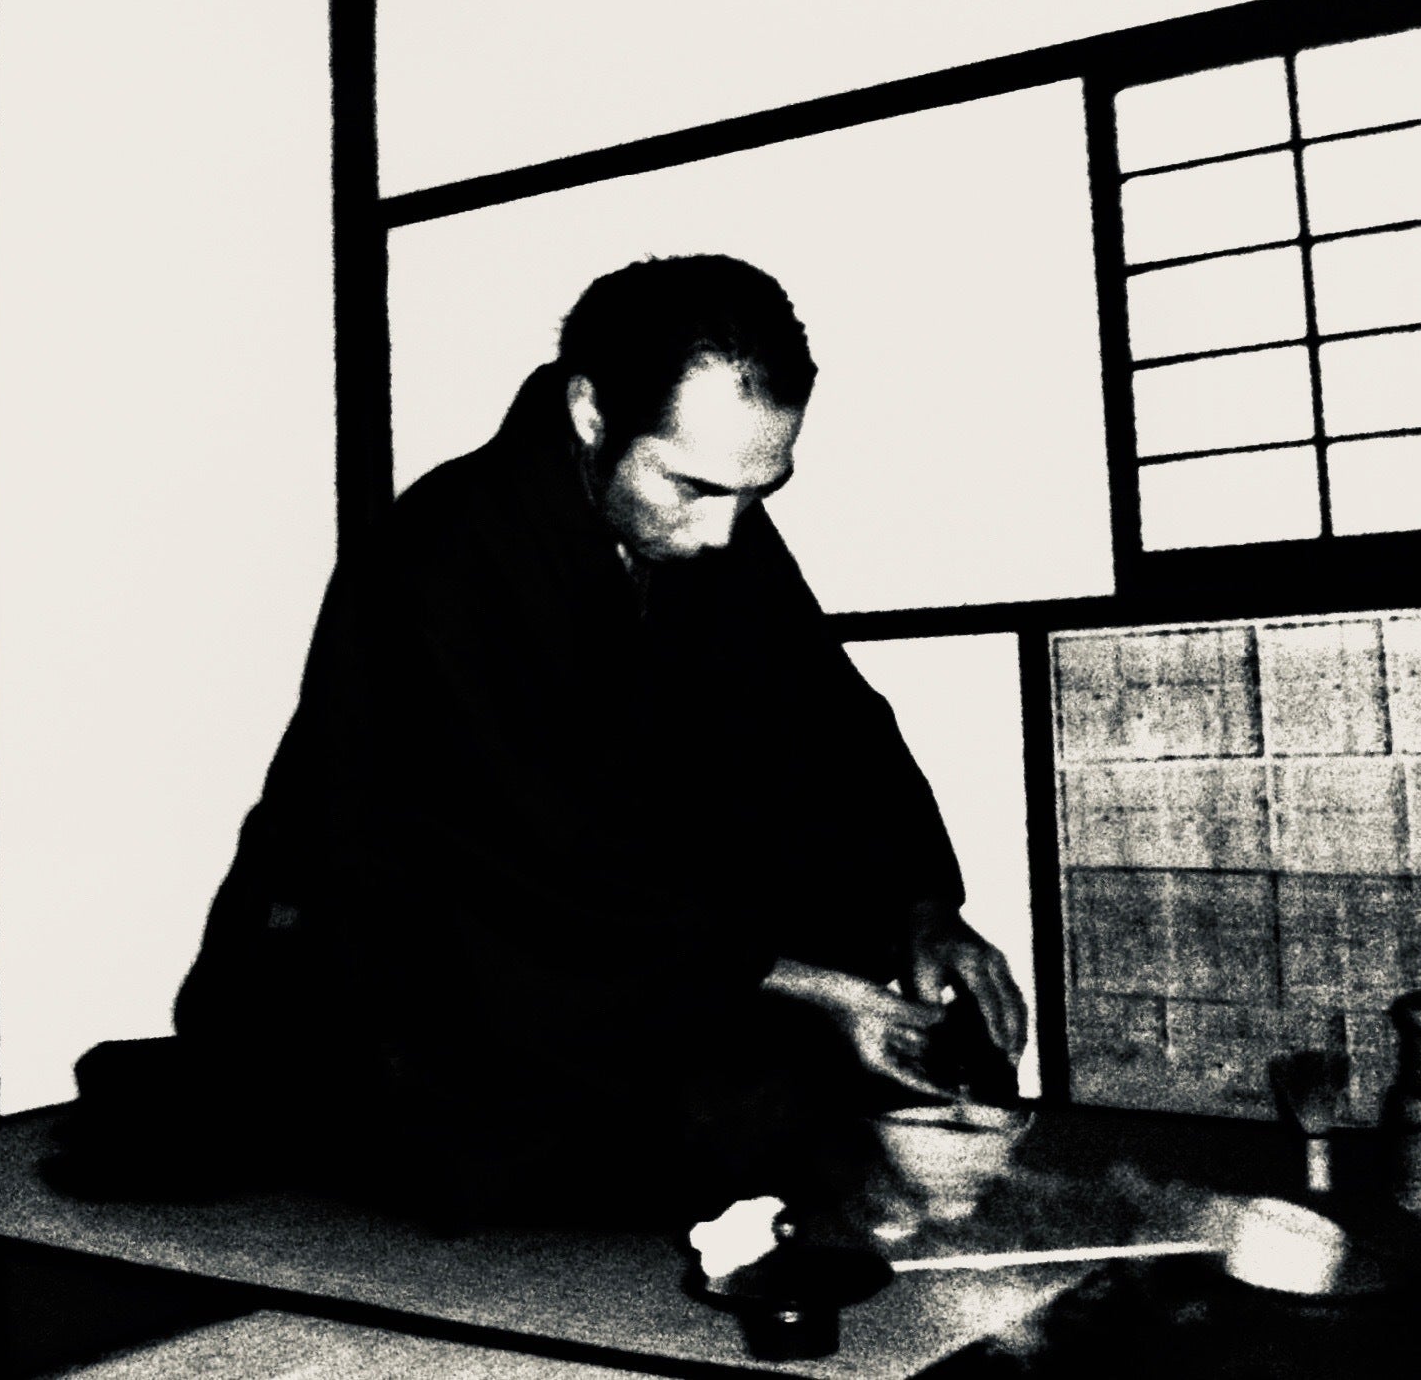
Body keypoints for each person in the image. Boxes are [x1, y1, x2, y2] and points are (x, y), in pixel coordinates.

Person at [54, 255, 1027, 1229]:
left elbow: (829, 729)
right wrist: (811, 988)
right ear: (590, 413)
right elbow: (526, 862)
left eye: (757, 490)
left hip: (624, 954)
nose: (724, 532)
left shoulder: (709, 531)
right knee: (705, 1127)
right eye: (691, 486)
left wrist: (918, 909)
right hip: (415, 959)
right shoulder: (441, 554)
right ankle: (255, 1096)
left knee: (808, 1091)